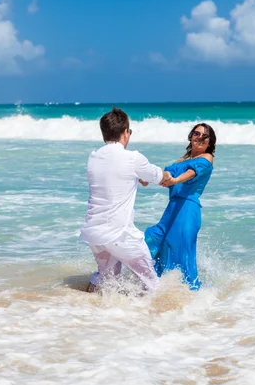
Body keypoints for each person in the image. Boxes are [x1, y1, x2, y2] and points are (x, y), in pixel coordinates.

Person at [80, 107, 172, 293]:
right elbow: (159, 177)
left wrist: (137, 177)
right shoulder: (133, 158)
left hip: (95, 234)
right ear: (125, 132)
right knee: (153, 284)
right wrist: (169, 176)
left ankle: (83, 309)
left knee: (105, 280)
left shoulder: (94, 157)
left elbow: (113, 175)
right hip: (120, 235)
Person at [142, 123, 216, 291]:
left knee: (178, 249)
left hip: (187, 210)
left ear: (210, 143)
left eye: (205, 136)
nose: (200, 138)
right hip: (172, 209)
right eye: (197, 134)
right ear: (191, 136)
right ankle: (155, 287)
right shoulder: (180, 161)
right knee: (151, 238)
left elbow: (191, 173)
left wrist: (175, 180)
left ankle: (188, 295)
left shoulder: (206, 158)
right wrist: (147, 177)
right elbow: (165, 175)